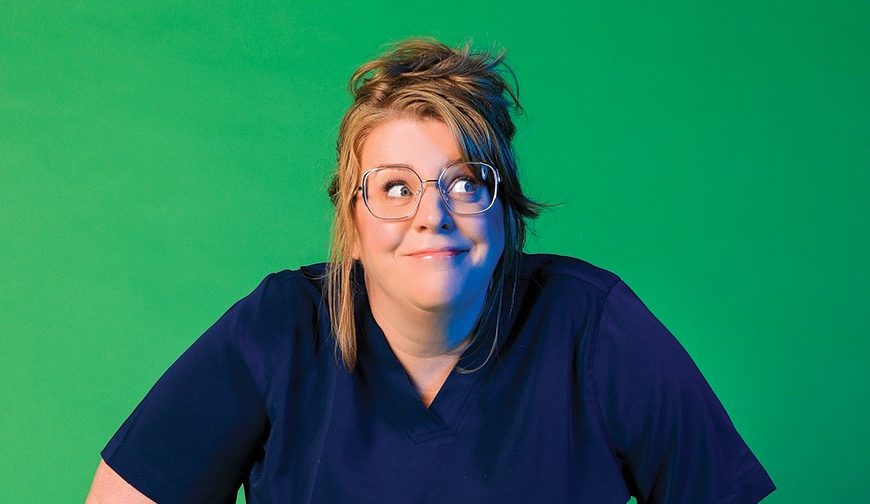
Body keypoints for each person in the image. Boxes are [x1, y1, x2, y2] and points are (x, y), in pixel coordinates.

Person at [86, 38, 776, 503]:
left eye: (464, 182)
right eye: (395, 187)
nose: (431, 215)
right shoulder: (282, 328)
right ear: (352, 222)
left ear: (505, 211)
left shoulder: (595, 327)